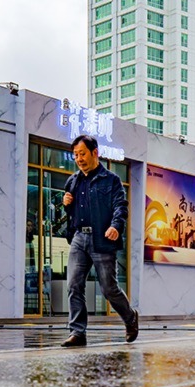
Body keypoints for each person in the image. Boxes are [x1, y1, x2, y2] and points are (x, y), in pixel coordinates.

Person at [60, 135, 138, 347]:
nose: (79, 159)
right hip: (78, 238)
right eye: (76, 155)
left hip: (101, 239)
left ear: (95, 153)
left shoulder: (110, 180)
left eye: (82, 154)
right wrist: (66, 203)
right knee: (74, 285)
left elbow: (120, 206)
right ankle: (77, 332)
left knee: (108, 288)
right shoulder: (73, 181)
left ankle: (130, 318)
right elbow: (72, 212)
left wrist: (115, 226)